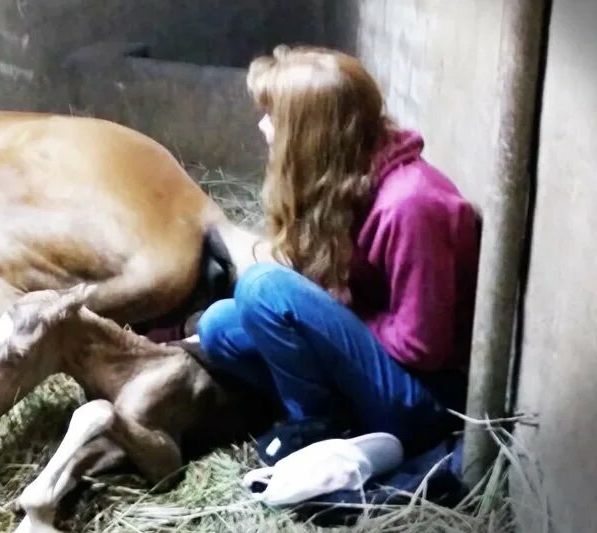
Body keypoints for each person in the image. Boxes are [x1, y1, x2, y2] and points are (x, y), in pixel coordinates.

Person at [192, 45, 480, 466]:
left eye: (273, 117)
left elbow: (422, 348)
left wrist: (334, 312)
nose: (263, 127)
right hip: (375, 367)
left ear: (309, 133)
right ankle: (338, 417)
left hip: (422, 398)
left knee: (262, 287)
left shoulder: (411, 206)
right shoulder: (346, 179)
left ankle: (316, 429)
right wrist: (326, 313)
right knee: (218, 326)